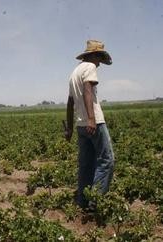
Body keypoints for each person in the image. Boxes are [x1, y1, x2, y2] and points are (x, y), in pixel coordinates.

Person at [65, 40, 115, 209]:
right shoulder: (89, 67)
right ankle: (95, 202)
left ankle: (82, 200)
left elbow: (70, 103)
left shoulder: (74, 73)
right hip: (95, 123)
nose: (99, 63)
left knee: (86, 164)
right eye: (99, 58)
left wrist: (70, 128)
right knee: (107, 160)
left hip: (80, 125)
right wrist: (92, 119)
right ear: (93, 55)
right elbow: (87, 89)